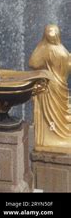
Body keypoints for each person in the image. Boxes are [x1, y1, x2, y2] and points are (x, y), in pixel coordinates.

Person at [29, 24, 71, 153]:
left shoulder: (46, 49)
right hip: (61, 85)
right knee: (59, 112)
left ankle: (48, 139)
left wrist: (40, 45)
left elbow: (32, 63)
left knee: (49, 114)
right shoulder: (63, 50)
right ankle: (61, 135)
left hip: (48, 86)